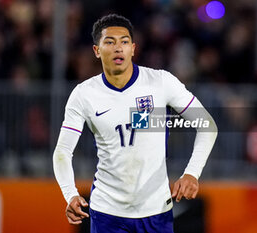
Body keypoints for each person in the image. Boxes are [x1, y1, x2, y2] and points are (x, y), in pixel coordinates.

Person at [53, 14, 217, 233]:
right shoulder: (83, 95)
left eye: (124, 42)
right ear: (97, 50)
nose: (118, 48)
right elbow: (63, 151)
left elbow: (207, 125)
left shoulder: (161, 82)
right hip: (107, 213)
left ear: (133, 48)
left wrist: (192, 173)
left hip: (156, 211)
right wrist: (70, 193)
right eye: (110, 42)